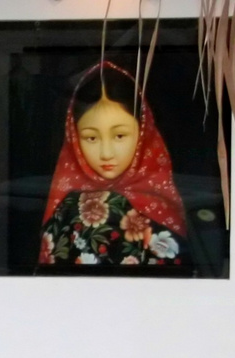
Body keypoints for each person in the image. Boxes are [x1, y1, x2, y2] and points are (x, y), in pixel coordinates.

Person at [38, 61, 188, 269]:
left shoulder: (162, 200)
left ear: (143, 132)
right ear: (74, 138)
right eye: (91, 138)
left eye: (119, 135)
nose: (106, 153)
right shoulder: (69, 208)